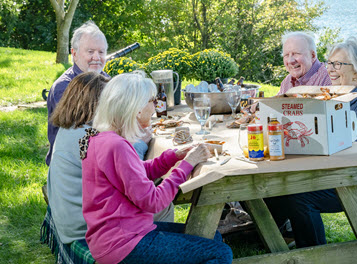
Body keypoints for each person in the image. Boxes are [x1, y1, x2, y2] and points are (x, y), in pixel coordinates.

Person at [80, 72, 232, 264]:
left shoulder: (102, 138)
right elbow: (153, 201)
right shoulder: (116, 146)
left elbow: (137, 173)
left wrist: (174, 157)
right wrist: (186, 165)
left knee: (211, 236)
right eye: (152, 100)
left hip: (115, 236)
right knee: (220, 253)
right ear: (135, 109)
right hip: (124, 243)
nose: (155, 106)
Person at [270, 37, 357, 248]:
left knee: (300, 197)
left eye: (338, 64)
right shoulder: (345, 94)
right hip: (349, 175)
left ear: (356, 69)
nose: (330, 69)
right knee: (281, 189)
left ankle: (314, 253)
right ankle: (277, 239)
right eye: (329, 63)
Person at [41, 71, 109, 264]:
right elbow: (124, 174)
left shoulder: (71, 128)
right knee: (161, 205)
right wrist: (142, 142)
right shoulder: (86, 137)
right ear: (95, 104)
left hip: (67, 218)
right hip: (82, 227)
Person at [46, 20, 108, 166]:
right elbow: (87, 131)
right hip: (71, 166)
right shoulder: (64, 87)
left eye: (101, 52)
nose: (97, 57)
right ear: (74, 54)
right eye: (90, 52)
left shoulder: (105, 79)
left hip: (94, 155)